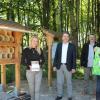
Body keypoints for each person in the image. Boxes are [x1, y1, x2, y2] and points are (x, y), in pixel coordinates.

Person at [53, 32, 76, 100]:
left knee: (69, 82)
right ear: (62, 38)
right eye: (64, 36)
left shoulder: (72, 46)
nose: (65, 38)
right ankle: (59, 95)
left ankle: (69, 96)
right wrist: (54, 65)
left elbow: (74, 57)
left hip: (68, 66)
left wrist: (74, 67)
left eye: (67, 36)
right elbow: (56, 56)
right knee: (59, 82)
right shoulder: (59, 45)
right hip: (59, 66)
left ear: (68, 38)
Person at [21, 35, 44, 100]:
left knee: (37, 89)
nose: (35, 42)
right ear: (31, 41)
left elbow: (43, 60)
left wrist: (40, 64)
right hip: (30, 72)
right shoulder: (26, 50)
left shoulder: (40, 50)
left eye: (36, 41)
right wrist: (29, 65)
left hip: (39, 72)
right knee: (32, 89)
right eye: (34, 41)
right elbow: (22, 61)